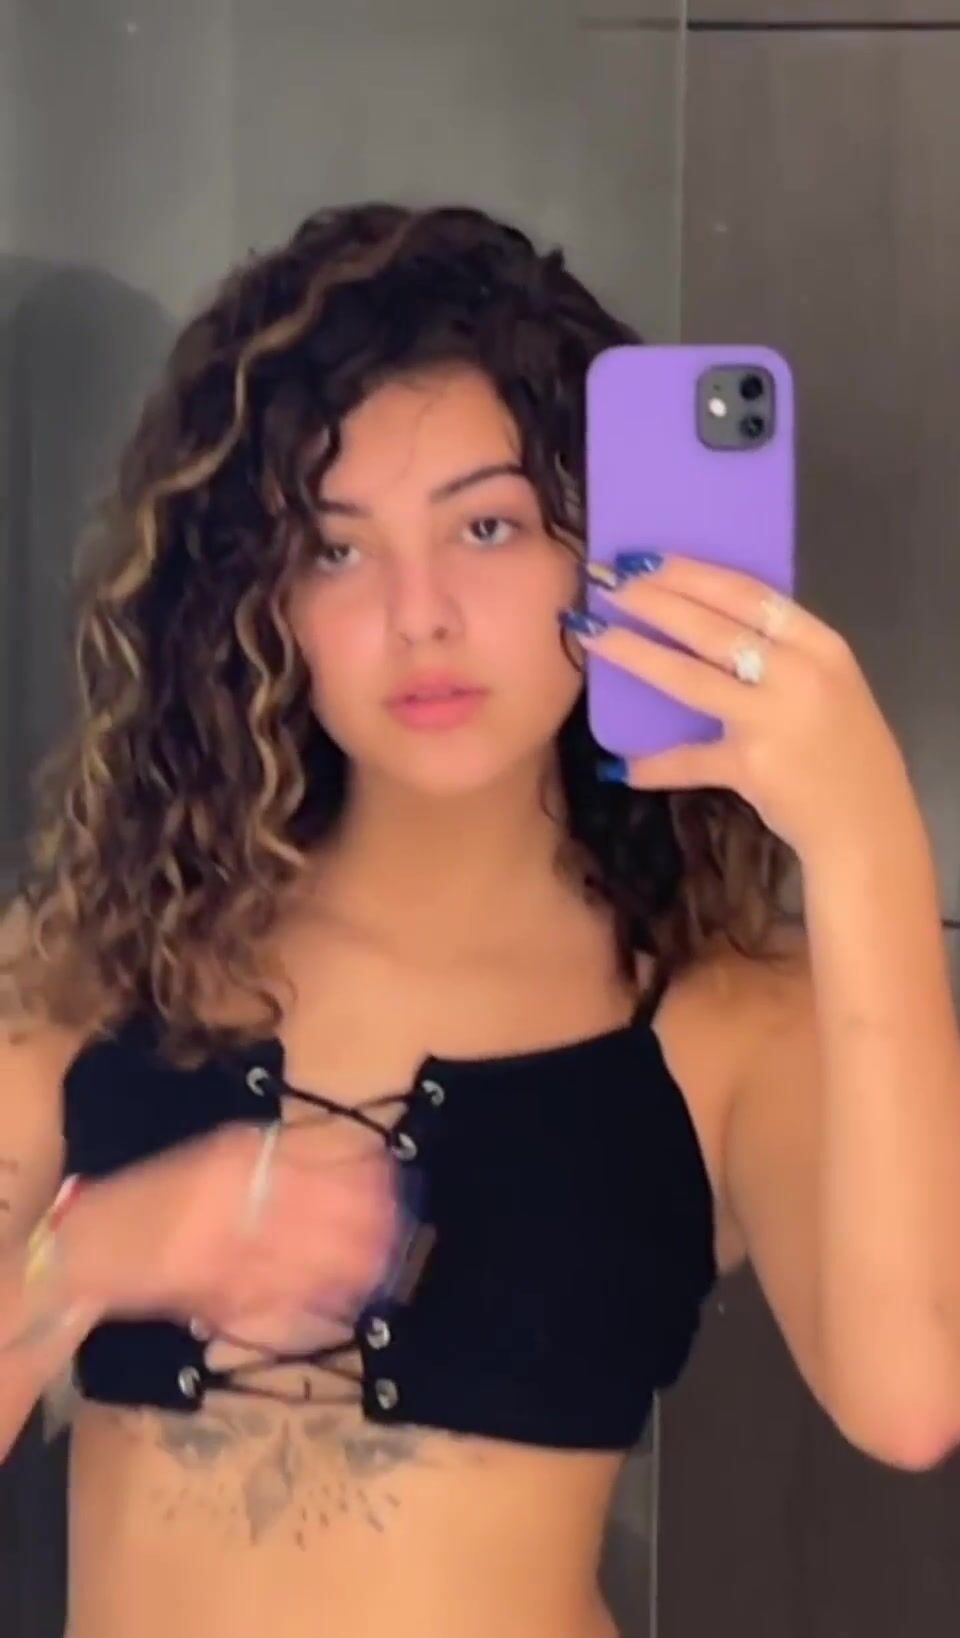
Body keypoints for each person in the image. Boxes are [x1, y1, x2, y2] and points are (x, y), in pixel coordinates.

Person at [1, 202, 959, 1638]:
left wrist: (863, 828)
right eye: (337, 550)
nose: (421, 615)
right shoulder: (106, 955)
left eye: (488, 525)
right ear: (257, 599)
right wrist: (94, 1254)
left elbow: (911, 1395)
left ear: (600, 545)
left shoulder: (721, 1017)